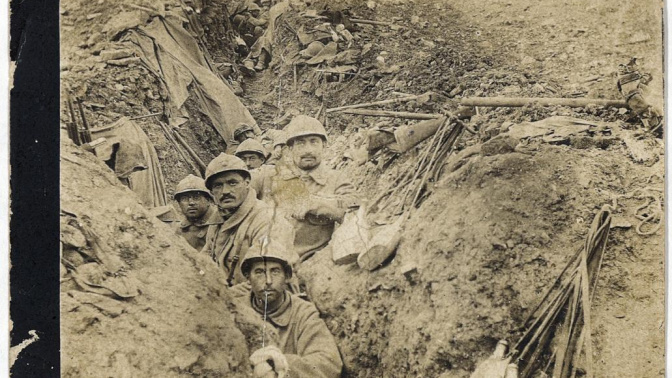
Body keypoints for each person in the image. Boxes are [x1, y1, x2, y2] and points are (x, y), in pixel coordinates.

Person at [250, 115, 358, 260]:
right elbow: (238, 185)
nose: (308, 150)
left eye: (314, 142)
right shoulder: (268, 175)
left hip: (309, 265)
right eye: (301, 143)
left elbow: (353, 208)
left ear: (324, 146)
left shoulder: (336, 179)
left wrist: (311, 203)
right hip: (266, 262)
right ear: (290, 148)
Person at [239, 238, 343, 378]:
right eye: (259, 272)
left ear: (287, 276)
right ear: (248, 277)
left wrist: (283, 363)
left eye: (275, 271)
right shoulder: (236, 311)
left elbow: (328, 362)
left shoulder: (303, 313)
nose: (268, 281)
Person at [201, 153, 292, 286]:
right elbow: (204, 259)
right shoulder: (218, 220)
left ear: (247, 183)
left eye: (232, 183)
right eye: (218, 186)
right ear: (211, 192)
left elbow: (267, 281)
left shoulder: (267, 220)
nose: (225, 191)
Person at [173, 174, 216, 251]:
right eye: (184, 199)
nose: (191, 203)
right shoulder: (179, 230)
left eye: (196, 198)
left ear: (208, 200)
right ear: (179, 204)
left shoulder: (219, 225)